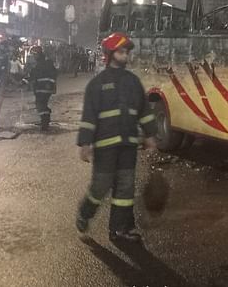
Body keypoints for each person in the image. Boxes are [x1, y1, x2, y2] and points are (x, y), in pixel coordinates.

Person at [76, 33, 158, 242]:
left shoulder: (133, 82)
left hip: (128, 146)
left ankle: (120, 230)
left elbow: (144, 110)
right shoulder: (97, 84)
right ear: (111, 54)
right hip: (105, 148)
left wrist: (150, 135)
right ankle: (85, 213)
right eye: (122, 52)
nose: (126, 55)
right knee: (100, 187)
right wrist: (85, 143)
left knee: (125, 189)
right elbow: (89, 116)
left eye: (127, 52)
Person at [29, 46, 58, 131]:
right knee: (43, 105)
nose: (33, 56)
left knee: (40, 105)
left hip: (43, 88)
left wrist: (50, 83)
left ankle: (45, 123)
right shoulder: (42, 63)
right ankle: (46, 119)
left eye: (34, 54)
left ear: (38, 54)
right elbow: (33, 76)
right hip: (42, 88)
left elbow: (53, 74)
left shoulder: (44, 63)